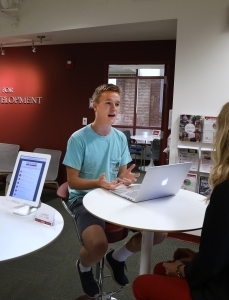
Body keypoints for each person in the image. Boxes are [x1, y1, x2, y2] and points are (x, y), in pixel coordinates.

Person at [132, 99, 229, 300]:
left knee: (143, 283)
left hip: (224, 293)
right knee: (160, 268)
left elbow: (215, 260)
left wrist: (183, 270)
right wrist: (196, 259)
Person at [63, 83, 167, 298]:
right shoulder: (78, 139)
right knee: (98, 246)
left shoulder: (120, 138)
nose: (113, 108)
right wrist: (97, 183)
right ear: (95, 106)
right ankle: (83, 267)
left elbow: (121, 174)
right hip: (84, 198)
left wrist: (125, 179)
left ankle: (118, 257)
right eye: (108, 103)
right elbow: (72, 182)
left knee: (158, 234)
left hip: (112, 194)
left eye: (117, 104)